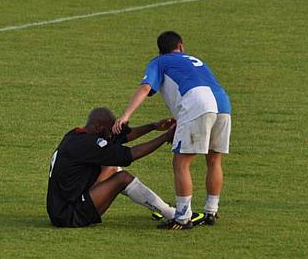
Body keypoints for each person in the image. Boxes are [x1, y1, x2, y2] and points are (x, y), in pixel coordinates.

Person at [113, 31, 231, 230]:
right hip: (223, 103)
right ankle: (211, 211)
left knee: (181, 163)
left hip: (198, 103)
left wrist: (126, 116)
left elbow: (145, 88)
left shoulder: (159, 62)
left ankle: (183, 217)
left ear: (160, 50)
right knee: (214, 159)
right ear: (181, 46)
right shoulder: (196, 60)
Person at [47, 107, 203, 228]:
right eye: (108, 132)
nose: (110, 136)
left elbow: (122, 137)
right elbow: (131, 154)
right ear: (97, 127)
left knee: (111, 168)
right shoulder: (88, 144)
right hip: (68, 214)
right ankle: (170, 213)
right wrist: (165, 137)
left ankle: (167, 211)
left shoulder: (76, 135)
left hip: (62, 206)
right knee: (122, 178)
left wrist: (154, 126)